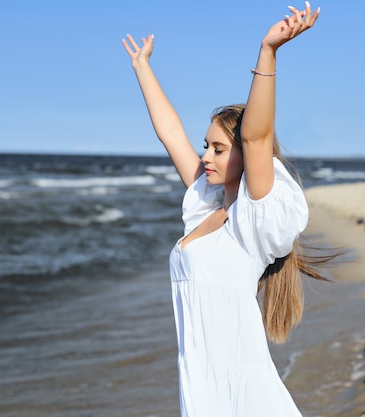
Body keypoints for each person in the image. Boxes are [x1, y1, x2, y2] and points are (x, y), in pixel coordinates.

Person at [123, 3, 329, 416]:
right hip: (200, 381)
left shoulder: (251, 224)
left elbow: (256, 137)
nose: (206, 157)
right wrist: (142, 67)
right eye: (206, 146)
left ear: (245, 158)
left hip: (240, 387)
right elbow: (170, 133)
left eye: (218, 148)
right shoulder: (205, 210)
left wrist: (268, 51)